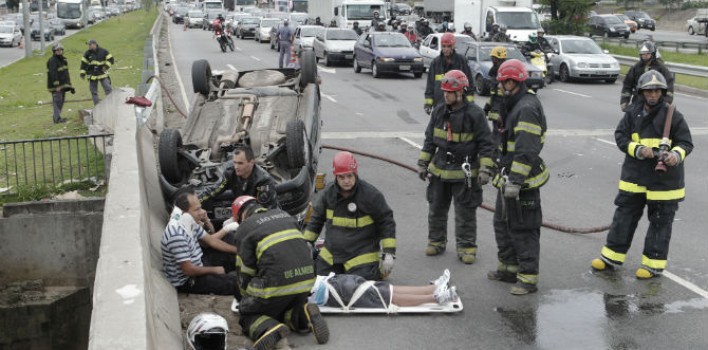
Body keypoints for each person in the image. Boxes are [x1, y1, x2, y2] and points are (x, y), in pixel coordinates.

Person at [591, 71, 693, 279]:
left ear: (662, 92)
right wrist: (637, 149)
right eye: (649, 91)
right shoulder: (632, 113)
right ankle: (611, 258)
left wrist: (675, 155)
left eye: (656, 91)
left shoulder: (672, 115)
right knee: (624, 218)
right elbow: (620, 136)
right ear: (641, 92)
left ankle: (652, 265)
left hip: (664, 183)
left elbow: (686, 143)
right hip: (635, 179)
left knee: (660, 224)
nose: (653, 95)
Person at [231, 195, 329, 350]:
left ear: (239, 217)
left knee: (248, 313)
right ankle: (304, 315)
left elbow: (245, 270)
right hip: (307, 280)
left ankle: (268, 328)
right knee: (285, 308)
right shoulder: (284, 215)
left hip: (276, 284)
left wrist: (246, 298)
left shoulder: (245, 228)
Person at [417, 70, 495, 264]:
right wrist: (423, 163)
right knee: (435, 209)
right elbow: (430, 139)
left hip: (463, 173)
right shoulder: (439, 111)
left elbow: (486, 144)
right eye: (444, 92)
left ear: (461, 92)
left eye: (449, 92)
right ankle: (436, 242)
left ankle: (467, 248)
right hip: (439, 170)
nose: (446, 95)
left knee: (465, 213)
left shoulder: (475, 114)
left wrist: (485, 169)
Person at [486, 59, 549, 295]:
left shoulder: (526, 108)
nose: (501, 86)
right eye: (501, 82)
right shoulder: (511, 104)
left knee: (523, 229)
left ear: (516, 82)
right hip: (508, 177)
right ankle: (509, 269)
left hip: (523, 181)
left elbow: (526, 149)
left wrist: (516, 180)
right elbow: (501, 142)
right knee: (502, 224)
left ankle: (528, 279)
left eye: (505, 82)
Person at [304, 151, 397, 281]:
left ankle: (377, 271)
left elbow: (386, 222)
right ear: (335, 176)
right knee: (321, 284)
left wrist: (389, 253)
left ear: (355, 174)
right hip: (332, 254)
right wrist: (307, 243)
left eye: (349, 176)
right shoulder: (328, 194)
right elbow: (316, 220)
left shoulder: (370, 195)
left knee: (357, 286)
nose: (346, 181)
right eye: (341, 177)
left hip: (360, 255)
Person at [161, 188, 240, 295]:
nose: (202, 212)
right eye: (197, 209)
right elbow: (188, 270)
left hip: (200, 261)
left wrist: (238, 251)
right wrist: (214, 270)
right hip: (189, 279)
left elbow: (211, 241)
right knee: (235, 284)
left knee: (232, 253)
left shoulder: (187, 220)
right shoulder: (176, 234)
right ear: (185, 212)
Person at [309, 270, 457, 309]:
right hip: (335, 283)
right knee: (388, 292)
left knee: (388, 293)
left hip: (336, 287)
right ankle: (435, 293)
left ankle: (434, 291)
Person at [198, 146, 278, 217]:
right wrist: (195, 202)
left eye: (240, 163)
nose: (236, 167)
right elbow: (213, 191)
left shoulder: (263, 180)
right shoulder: (230, 173)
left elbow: (265, 210)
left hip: (262, 217)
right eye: (234, 162)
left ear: (251, 162)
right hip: (241, 213)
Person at [424, 33, 475, 114]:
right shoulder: (435, 63)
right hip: (439, 106)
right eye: (444, 46)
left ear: (453, 46)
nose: (446, 49)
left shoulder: (462, 61)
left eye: (448, 46)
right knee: (438, 127)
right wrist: (428, 103)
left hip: (458, 106)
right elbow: (430, 85)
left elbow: (470, 84)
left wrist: (470, 104)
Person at [620, 42, 674, 113]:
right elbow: (627, 84)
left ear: (653, 54)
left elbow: (669, 84)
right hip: (638, 103)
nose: (645, 56)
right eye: (643, 54)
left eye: (647, 54)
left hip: (656, 102)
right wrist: (624, 101)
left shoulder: (661, 68)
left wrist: (667, 101)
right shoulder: (636, 68)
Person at [46, 42, 74, 124]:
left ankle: (58, 117)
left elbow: (66, 74)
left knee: (61, 101)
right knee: (57, 102)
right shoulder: (52, 61)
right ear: (54, 51)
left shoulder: (63, 60)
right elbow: (53, 73)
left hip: (63, 86)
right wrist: (57, 85)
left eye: (60, 50)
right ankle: (57, 119)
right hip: (56, 87)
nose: (59, 51)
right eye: (57, 50)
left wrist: (70, 85)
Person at [80, 39, 113, 105]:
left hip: (102, 74)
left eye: (90, 44)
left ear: (95, 44)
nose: (89, 46)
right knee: (93, 91)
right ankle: (97, 106)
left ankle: (111, 103)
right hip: (92, 75)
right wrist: (82, 73)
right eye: (88, 45)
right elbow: (83, 64)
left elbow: (111, 59)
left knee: (108, 88)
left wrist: (105, 67)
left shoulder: (103, 51)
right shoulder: (87, 53)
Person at [483, 46, 507, 138]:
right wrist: (486, 108)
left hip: (501, 114)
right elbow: (493, 96)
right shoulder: (494, 72)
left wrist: (503, 114)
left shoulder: (503, 74)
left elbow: (504, 98)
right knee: (495, 136)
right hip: (495, 113)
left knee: (499, 138)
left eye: (494, 58)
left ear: (500, 59)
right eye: (492, 58)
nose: (492, 60)